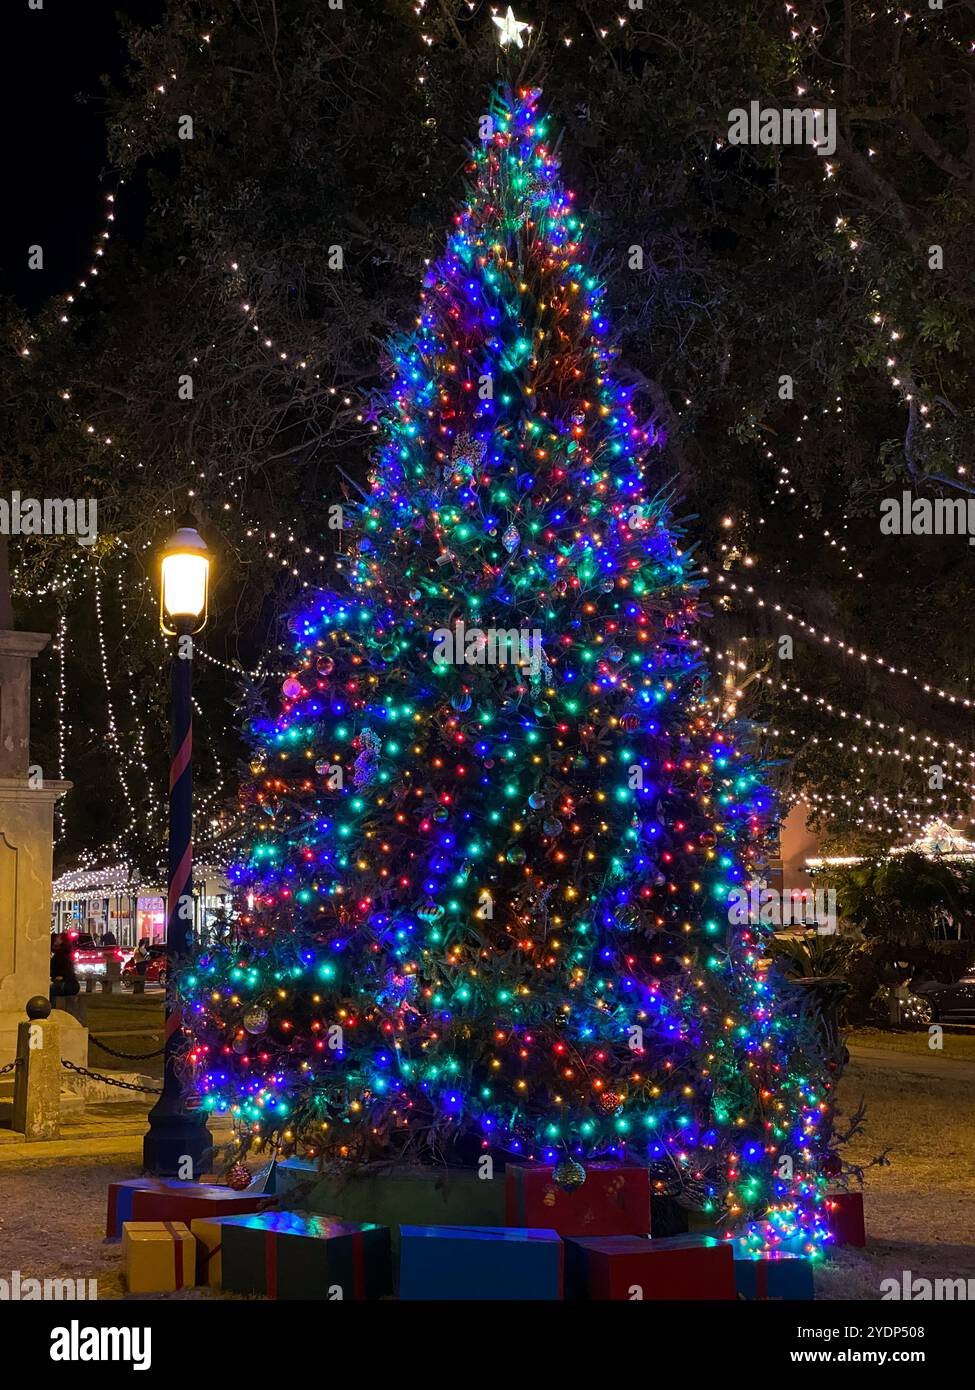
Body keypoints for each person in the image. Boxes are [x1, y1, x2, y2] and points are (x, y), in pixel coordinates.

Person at [50, 935, 80, 1005]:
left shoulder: (61, 954)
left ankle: (51, 1008)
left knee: (49, 991)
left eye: (58, 938)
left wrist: (55, 976)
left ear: (62, 941)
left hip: (67, 985)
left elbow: (63, 972)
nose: (56, 939)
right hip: (71, 984)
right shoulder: (64, 952)